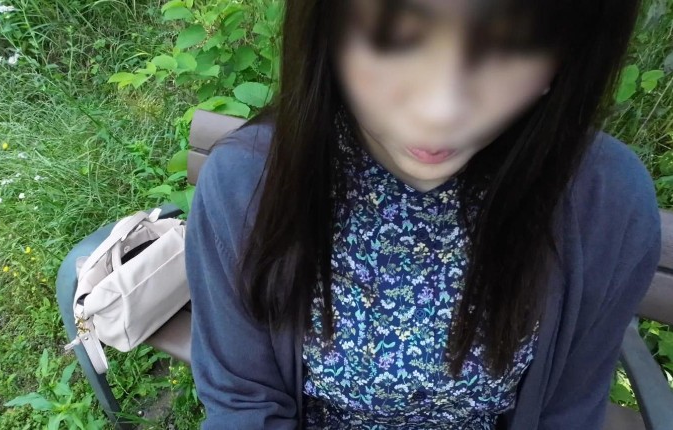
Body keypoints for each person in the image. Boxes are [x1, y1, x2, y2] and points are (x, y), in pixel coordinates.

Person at [185, 0, 662, 428]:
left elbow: (566, 414)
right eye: (393, 35)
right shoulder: (249, 186)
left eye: (510, 44)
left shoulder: (605, 204)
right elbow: (246, 403)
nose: (440, 113)